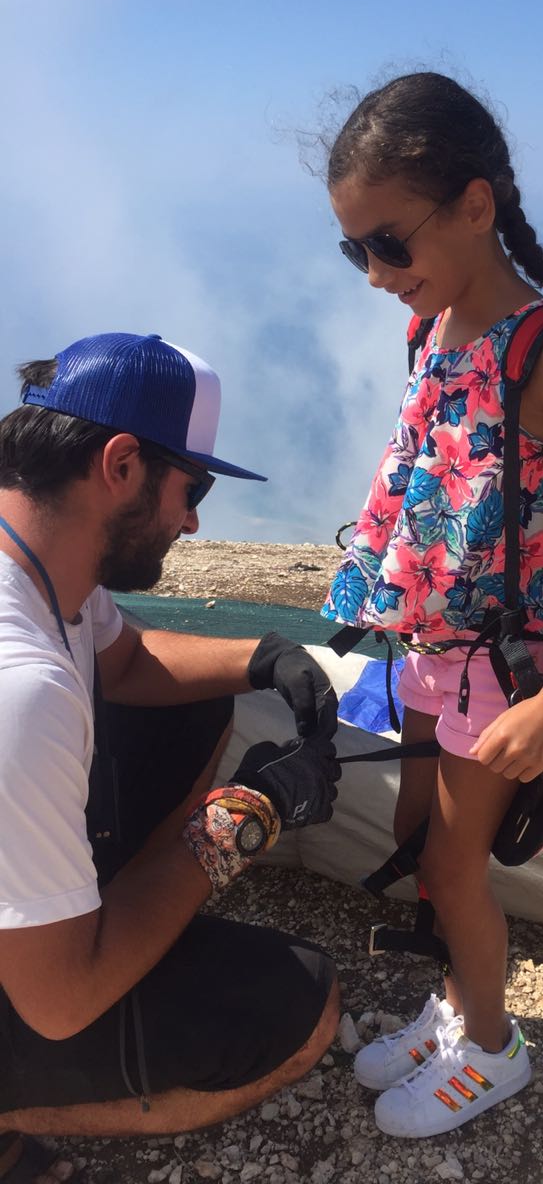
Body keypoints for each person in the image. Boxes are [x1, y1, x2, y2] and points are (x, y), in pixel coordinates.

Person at [319, 72, 543, 1137]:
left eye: (389, 243)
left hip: (504, 667)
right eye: (354, 250)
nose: (375, 274)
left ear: (474, 206)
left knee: (452, 861)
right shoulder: (434, 327)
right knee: (419, 833)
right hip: (433, 645)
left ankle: (491, 1048)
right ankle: (454, 1002)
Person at [0, 333, 342, 1184]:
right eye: (193, 488)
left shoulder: (41, 567)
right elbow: (58, 1005)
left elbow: (125, 663)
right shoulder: (20, 687)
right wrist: (242, 817)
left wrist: (263, 656)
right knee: (302, 1015)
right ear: (121, 464)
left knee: (200, 703)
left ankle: (110, 917)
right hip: (41, 986)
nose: (192, 521)